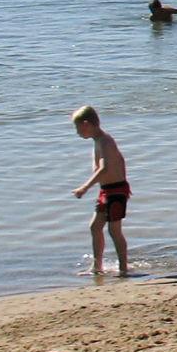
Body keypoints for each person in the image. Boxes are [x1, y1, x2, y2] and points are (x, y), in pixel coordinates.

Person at [69, 104, 131, 276]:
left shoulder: (105, 141)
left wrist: (85, 187)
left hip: (116, 191)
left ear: (87, 124)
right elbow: (121, 160)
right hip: (107, 190)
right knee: (95, 226)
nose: (77, 132)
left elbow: (104, 168)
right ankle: (97, 267)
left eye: (78, 128)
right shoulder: (98, 141)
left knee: (114, 230)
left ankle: (123, 268)